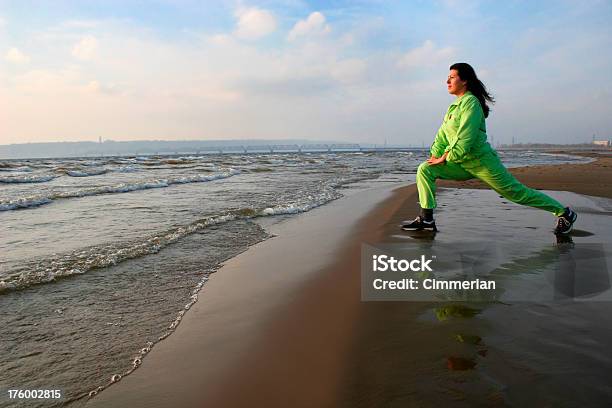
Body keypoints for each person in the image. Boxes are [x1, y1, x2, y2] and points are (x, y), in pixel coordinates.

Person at [401, 62, 577, 234]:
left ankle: (564, 212)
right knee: (425, 169)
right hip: (461, 163)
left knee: (517, 193)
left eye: (452, 77)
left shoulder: (471, 103)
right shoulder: (453, 107)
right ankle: (427, 219)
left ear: (464, 81)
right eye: (447, 78)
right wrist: (435, 155)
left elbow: (465, 137)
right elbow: (442, 134)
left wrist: (446, 156)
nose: (447, 81)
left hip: (482, 162)